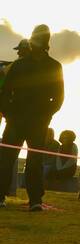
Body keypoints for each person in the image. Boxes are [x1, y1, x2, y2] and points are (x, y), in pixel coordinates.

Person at [0, 24, 65, 211]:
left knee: (35, 161)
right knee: (6, 159)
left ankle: (35, 199)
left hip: (38, 122)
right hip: (16, 120)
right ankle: (0, 195)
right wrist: (8, 112)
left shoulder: (54, 66)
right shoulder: (19, 65)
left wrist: (47, 115)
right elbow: (5, 91)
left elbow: (59, 97)